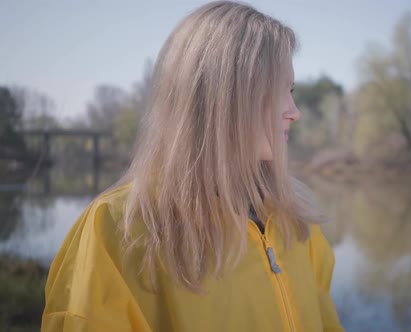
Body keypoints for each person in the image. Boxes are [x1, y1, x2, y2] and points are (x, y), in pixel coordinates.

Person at [41, 1, 343, 331]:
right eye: (277, 90)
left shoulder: (297, 224)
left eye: (292, 90)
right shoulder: (115, 232)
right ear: (220, 96)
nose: (294, 111)